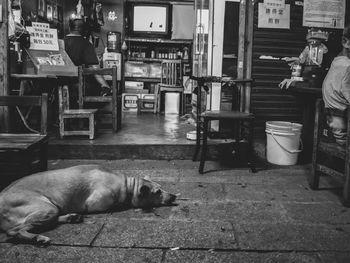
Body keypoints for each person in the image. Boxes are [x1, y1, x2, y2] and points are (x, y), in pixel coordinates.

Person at [64, 18, 111, 96]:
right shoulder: (86, 44)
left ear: (70, 28)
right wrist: (105, 85)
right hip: (80, 86)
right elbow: (95, 69)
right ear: (84, 30)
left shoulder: (61, 42)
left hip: (61, 84)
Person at [322, 25, 350, 145]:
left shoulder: (337, 61)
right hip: (342, 124)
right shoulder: (347, 66)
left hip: (333, 118)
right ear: (345, 42)